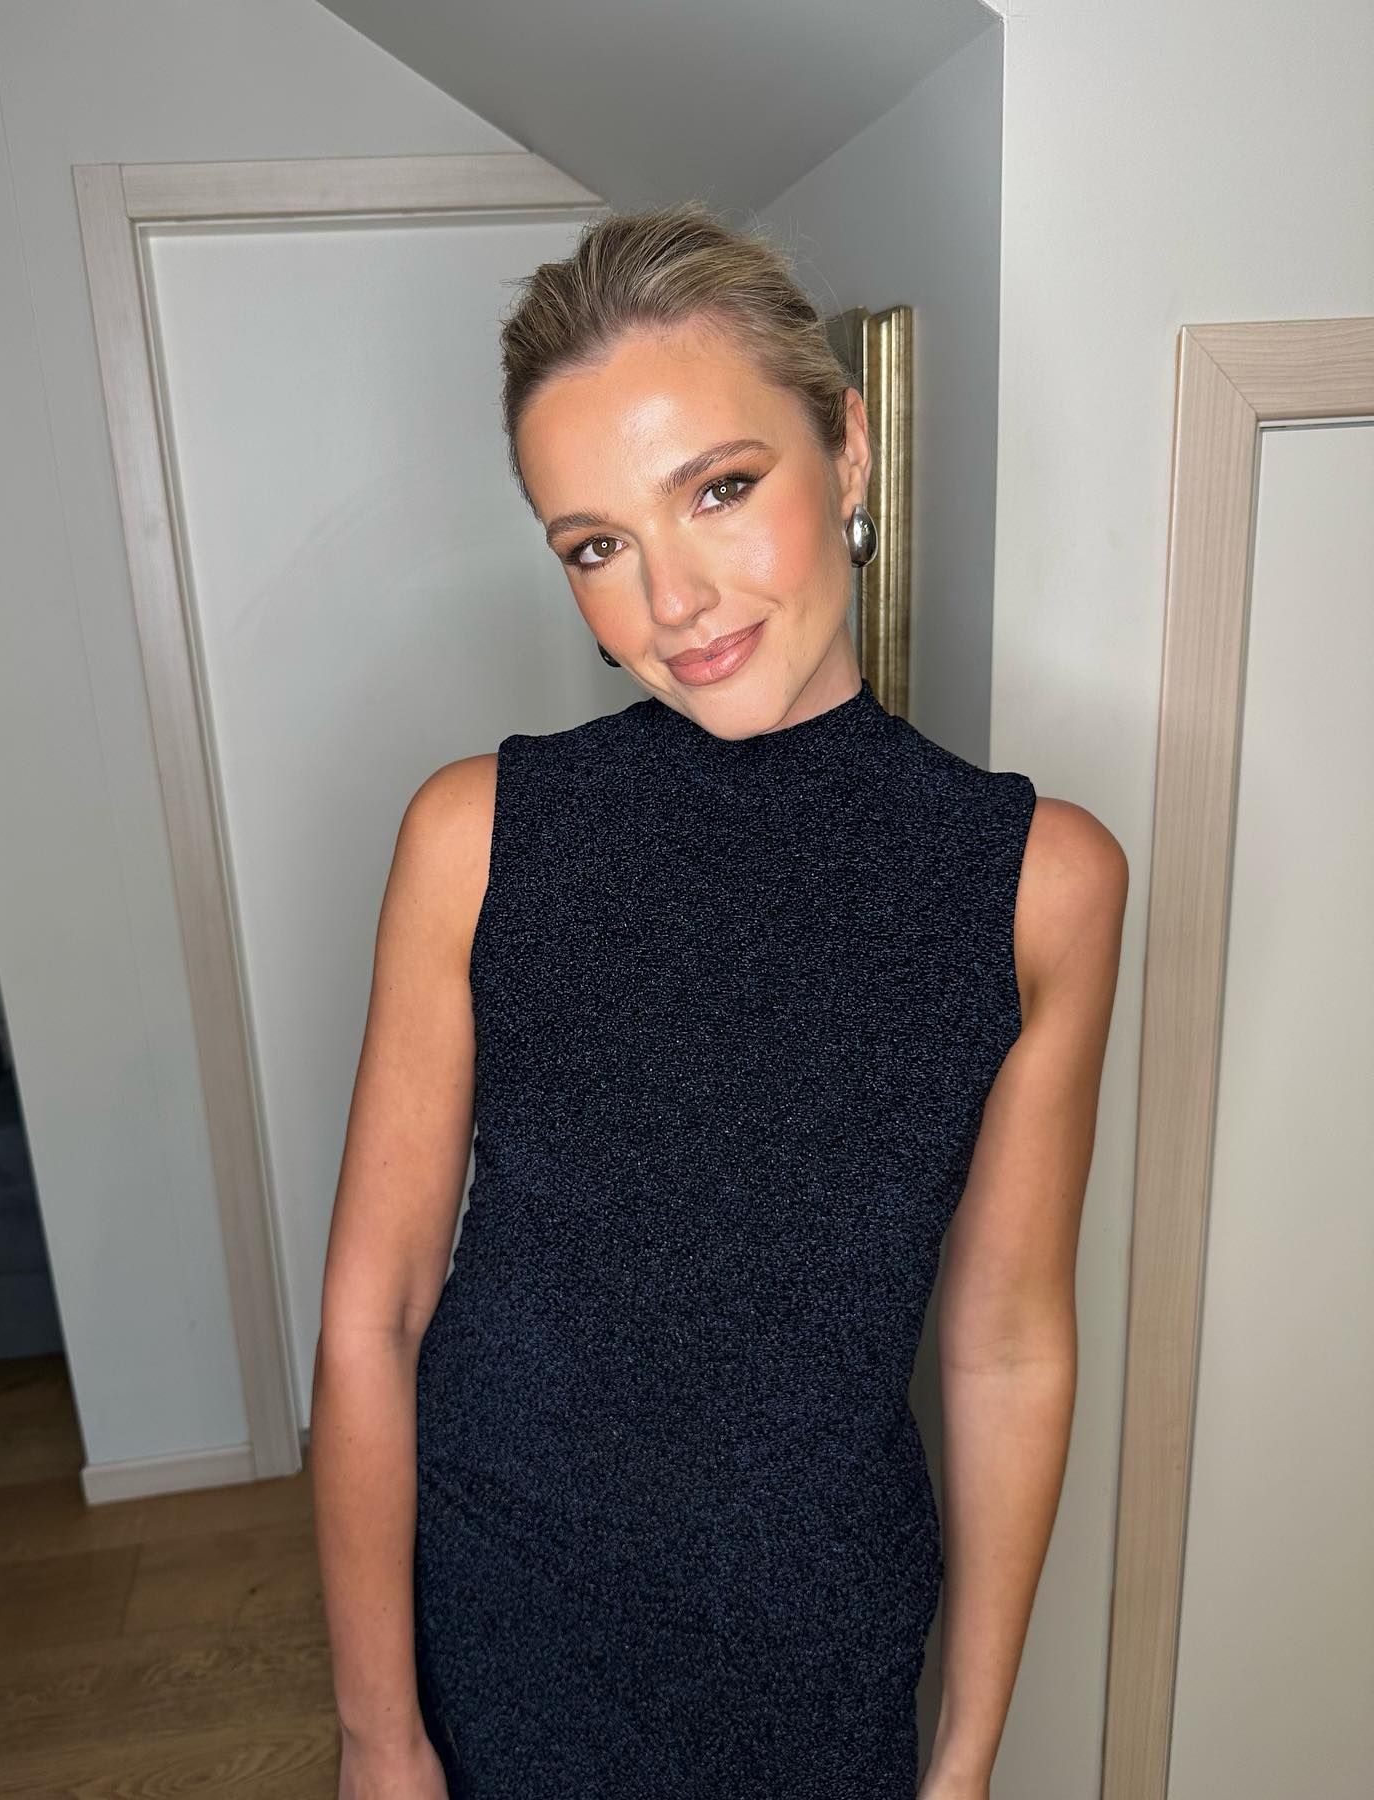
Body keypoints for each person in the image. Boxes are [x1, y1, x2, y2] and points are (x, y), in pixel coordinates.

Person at [311, 200, 1127, 1800]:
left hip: (819, 1646)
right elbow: (374, 1317)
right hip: (499, 1615)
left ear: (850, 449)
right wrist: (376, 1732)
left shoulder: (1040, 884)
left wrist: (965, 1762)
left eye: (720, 490)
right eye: (596, 546)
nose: (670, 601)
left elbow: (1009, 1345)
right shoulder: (478, 838)